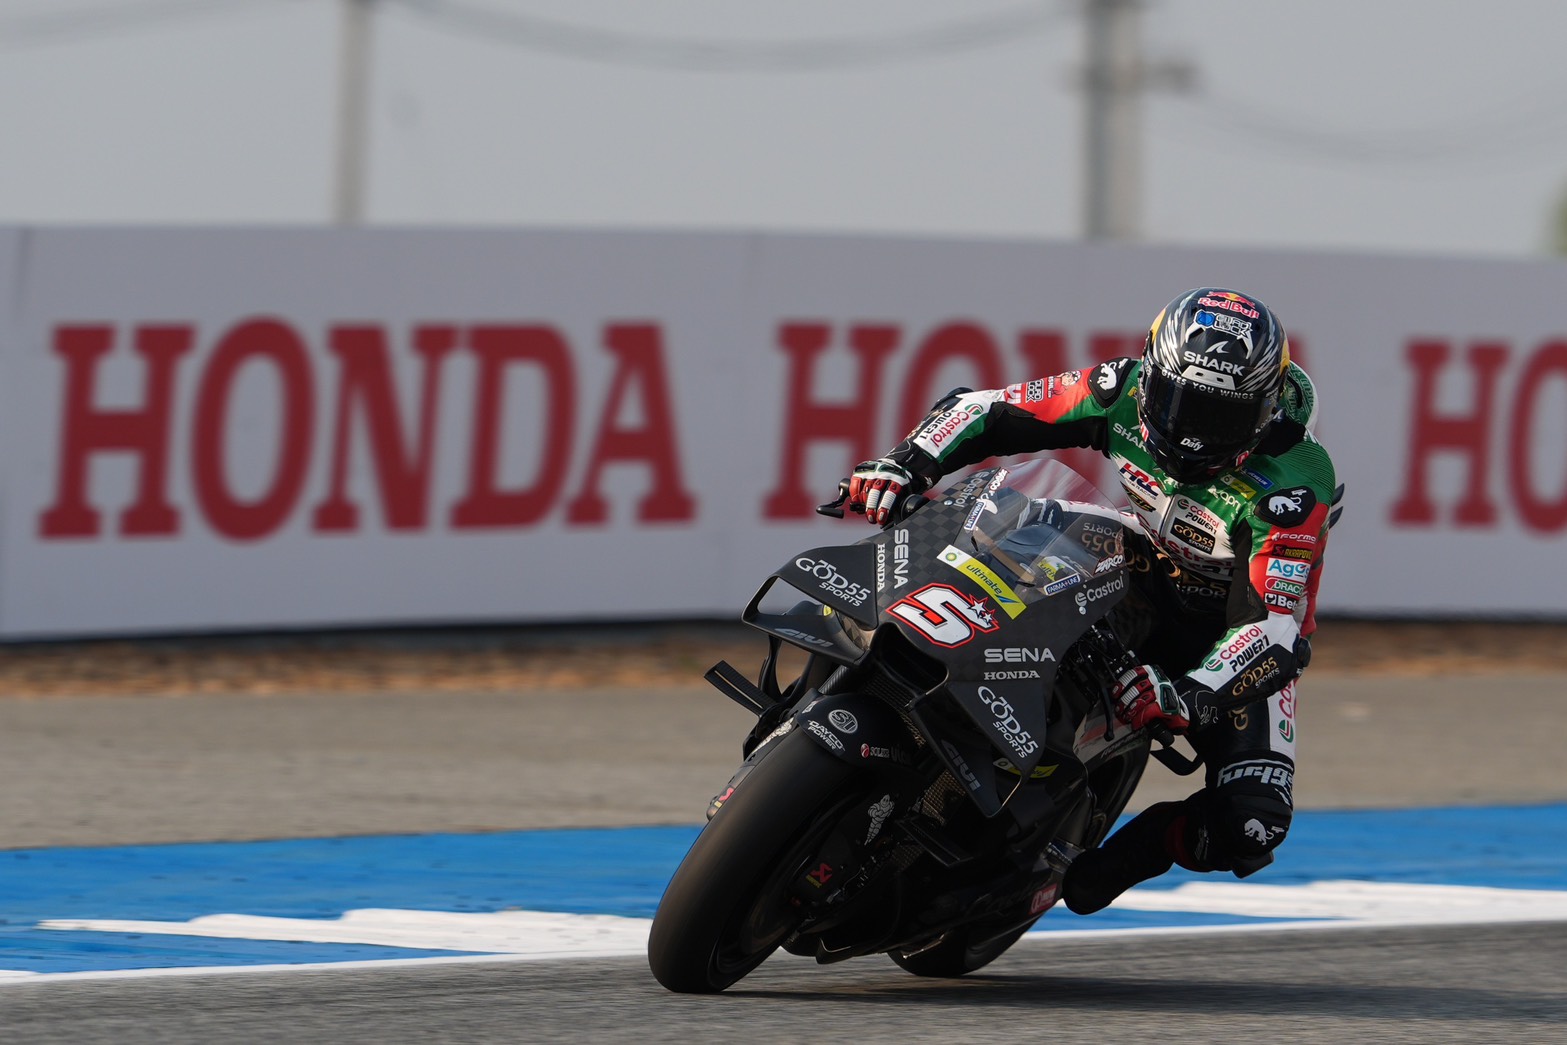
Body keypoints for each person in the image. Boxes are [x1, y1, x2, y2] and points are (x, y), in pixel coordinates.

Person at [843, 287, 1339, 915]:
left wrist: (1190, 693)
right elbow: (986, 408)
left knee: (1252, 823)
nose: (1190, 435)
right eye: (1178, 403)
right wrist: (904, 463)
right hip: (1133, 563)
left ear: (1264, 410)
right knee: (985, 537)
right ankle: (870, 667)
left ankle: (1116, 853)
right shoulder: (1120, 389)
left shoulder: (1296, 482)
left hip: (1227, 636)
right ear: (1152, 376)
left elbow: (1274, 625)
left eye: (1217, 417)